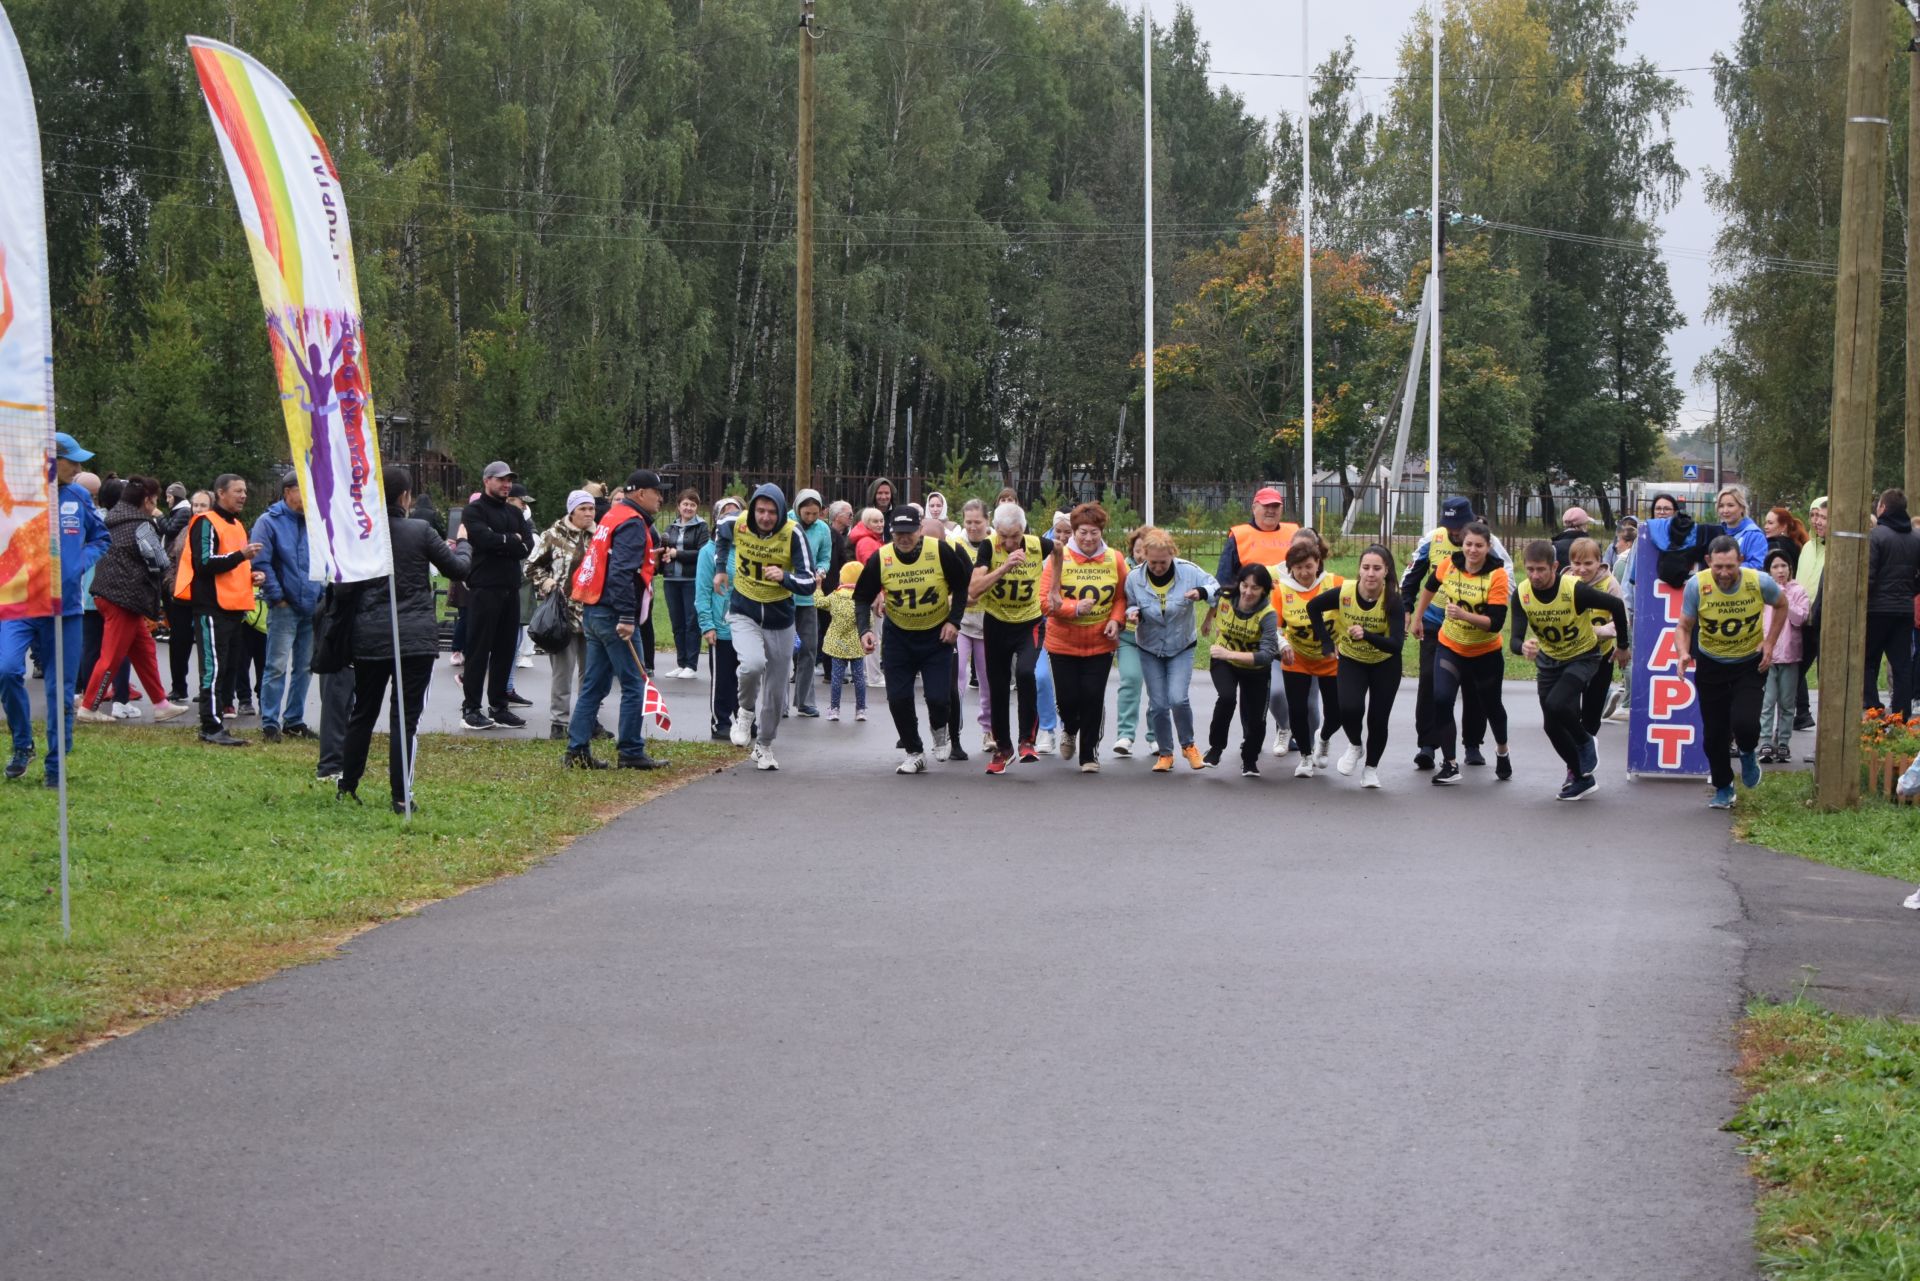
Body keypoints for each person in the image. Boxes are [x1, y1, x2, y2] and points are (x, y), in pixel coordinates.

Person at [337, 469, 471, 813]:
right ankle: (401, 795)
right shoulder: (420, 530)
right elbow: (457, 569)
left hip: (369, 635)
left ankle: (347, 784)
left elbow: (343, 586)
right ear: (405, 498)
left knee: (362, 712)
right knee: (405, 719)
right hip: (413, 638)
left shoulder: (362, 535)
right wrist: (465, 543)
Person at [2, 433, 111, 784]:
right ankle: (23, 745)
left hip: (64, 609)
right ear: (48, 460)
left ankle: (55, 768)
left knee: (59, 691)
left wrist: (80, 561)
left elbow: (101, 538)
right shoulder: (15, 498)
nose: (79, 467)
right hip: (18, 604)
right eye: (72, 460)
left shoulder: (78, 496)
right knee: (5, 670)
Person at [565, 468, 674, 771]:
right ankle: (630, 751)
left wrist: (655, 559)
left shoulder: (613, 516)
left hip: (594, 610)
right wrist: (627, 616)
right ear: (641, 493)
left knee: (594, 686)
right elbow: (622, 573)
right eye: (657, 491)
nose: (661, 497)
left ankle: (576, 750)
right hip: (615, 614)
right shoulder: (632, 522)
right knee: (635, 684)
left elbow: (622, 564)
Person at [853, 506, 972, 772]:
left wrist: (954, 621)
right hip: (899, 636)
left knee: (940, 698)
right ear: (890, 533)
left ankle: (939, 729)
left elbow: (962, 585)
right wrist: (865, 630)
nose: (904, 538)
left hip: (936, 635)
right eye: (898, 533)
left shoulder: (940, 551)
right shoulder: (880, 558)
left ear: (919, 530)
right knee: (897, 698)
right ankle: (914, 750)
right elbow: (861, 597)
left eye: (909, 532)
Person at [1511, 541, 1630, 801]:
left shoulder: (1573, 589)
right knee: (1551, 725)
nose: (1535, 576)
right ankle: (1581, 777)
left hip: (1583, 656)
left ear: (1554, 567)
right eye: (1530, 569)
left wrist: (1622, 645)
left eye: (1541, 569)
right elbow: (1514, 640)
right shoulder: (1521, 593)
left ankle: (1586, 741)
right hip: (1550, 661)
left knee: (1556, 704)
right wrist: (1524, 647)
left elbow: (1618, 606)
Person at [1402, 497, 1512, 770]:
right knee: (1430, 682)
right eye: (1451, 527)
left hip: (1475, 623)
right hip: (1435, 621)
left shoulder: (1489, 543)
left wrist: (1484, 609)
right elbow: (1415, 575)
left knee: (1474, 687)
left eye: (1459, 527)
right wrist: (1409, 610)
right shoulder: (1433, 539)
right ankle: (1427, 745)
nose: (1455, 533)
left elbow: (1507, 577)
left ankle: (1472, 744)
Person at [1677, 535, 1787, 808]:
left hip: (1749, 663)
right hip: (1711, 664)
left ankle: (1748, 753)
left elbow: (1782, 605)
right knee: (1714, 736)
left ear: (1740, 560)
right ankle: (1724, 787)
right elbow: (1684, 626)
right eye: (1718, 567)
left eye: (1730, 566)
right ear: (1708, 563)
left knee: (1745, 724)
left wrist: (1770, 642)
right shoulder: (1696, 585)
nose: (1724, 573)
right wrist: (1682, 653)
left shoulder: (1759, 582)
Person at [714, 483, 817, 770]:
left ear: (782, 512)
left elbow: (809, 582)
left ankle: (764, 745)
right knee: (752, 664)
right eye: (760, 510)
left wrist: (784, 577)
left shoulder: (793, 533)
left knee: (775, 689)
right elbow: (720, 528)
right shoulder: (738, 521)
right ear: (752, 509)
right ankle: (745, 713)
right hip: (743, 609)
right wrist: (721, 567)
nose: (765, 517)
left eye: (772, 512)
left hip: (780, 617)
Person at [76, 476, 187, 725]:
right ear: (146, 500)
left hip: (107, 593)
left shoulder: (112, 519)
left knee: (145, 649)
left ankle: (161, 704)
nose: (155, 503)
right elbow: (160, 561)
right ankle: (88, 707)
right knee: (112, 655)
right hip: (125, 597)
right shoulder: (142, 525)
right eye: (154, 499)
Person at [174, 473, 264, 747]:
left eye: (245, 490)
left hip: (235, 607)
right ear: (220, 494)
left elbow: (232, 566)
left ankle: (219, 720)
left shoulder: (237, 525)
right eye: (238, 490)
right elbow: (204, 563)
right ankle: (210, 726)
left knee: (227, 668)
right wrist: (241, 557)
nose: (243, 495)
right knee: (213, 669)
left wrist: (253, 575)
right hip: (212, 607)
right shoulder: (204, 522)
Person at [1038, 502, 1128, 772]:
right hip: (1062, 643)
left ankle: (1089, 754)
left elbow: (1122, 597)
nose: (1088, 538)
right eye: (1082, 533)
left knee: (1092, 696)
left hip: (1100, 643)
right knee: (1067, 699)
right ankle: (1069, 727)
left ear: (1101, 532)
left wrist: (1115, 619)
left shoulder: (1115, 559)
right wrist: (1073, 608)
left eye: (1094, 533)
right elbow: (1044, 602)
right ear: (1072, 532)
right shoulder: (1058, 558)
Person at [1307, 544, 1404, 788]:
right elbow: (1313, 607)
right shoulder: (1345, 593)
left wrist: (1367, 634)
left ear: (1386, 571)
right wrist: (1327, 641)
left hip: (1385, 663)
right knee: (1349, 709)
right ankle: (1355, 745)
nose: (1371, 573)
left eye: (1377, 568)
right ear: (1359, 570)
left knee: (1378, 719)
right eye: (1366, 567)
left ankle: (1371, 769)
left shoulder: (1393, 599)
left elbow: (1395, 645)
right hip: (1352, 660)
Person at [1125, 527, 1218, 773]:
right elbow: (1128, 603)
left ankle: (1188, 746)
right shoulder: (1135, 577)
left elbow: (1216, 588)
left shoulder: (1188, 571)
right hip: (1149, 646)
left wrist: (1201, 592)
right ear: (1144, 555)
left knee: (1177, 698)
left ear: (1172, 555)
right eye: (1152, 562)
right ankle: (1165, 754)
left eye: (1163, 562)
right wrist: (1132, 614)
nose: (1157, 567)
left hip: (1181, 646)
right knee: (1158, 704)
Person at [970, 501, 1053, 773]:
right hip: (996, 623)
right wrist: (1004, 568)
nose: (1008, 542)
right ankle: (1003, 750)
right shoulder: (987, 547)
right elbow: (973, 590)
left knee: (1027, 673)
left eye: (1014, 536)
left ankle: (1027, 741)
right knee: (998, 687)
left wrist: (1055, 588)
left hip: (1029, 622)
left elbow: (1061, 550)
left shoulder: (1037, 545)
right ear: (996, 531)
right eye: (1003, 536)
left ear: (1023, 530)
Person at [459, 461, 535, 731]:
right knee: (479, 649)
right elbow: (482, 540)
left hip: (510, 588)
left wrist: (504, 540)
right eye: (501, 480)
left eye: (509, 480)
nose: (506, 485)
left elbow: (527, 546)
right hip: (484, 588)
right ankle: (471, 708)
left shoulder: (515, 513)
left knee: (505, 650)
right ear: (487, 481)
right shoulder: (474, 510)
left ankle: (499, 705)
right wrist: (508, 541)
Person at [251, 471, 323, 743]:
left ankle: (294, 720)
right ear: (287, 491)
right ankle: (270, 721)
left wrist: (321, 593)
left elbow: (322, 559)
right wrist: (277, 596)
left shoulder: (315, 522)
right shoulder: (268, 522)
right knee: (277, 665)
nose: (309, 498)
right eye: (303, 491)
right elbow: (260, 562)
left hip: (310, 605)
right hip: (284, 606)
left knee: (304, 666)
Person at [527, 489, 599, 740]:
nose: (589, 513)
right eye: (583, 509)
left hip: (592, 613)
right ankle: (559, 723)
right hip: (563, 614)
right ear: (572, 511)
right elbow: (531, 565)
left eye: (591, 508)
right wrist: (545, 583)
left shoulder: (600, 536)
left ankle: (588, 720)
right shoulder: (553, 535)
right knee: (562, 672)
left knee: (591, 672)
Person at [1274, 535, 1342, 777]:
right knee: (1298, 710)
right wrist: (1283, 645)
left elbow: (1355, 607)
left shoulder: (1334, 582)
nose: (1304, 572)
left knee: (1338, 712)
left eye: (1309, 566)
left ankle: (1322, 738)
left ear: (1318, 562)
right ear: (1291, 568)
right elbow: (1274, 626)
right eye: (1298, 567)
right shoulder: (1282, 591)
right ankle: (1305, 756)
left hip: (1330, 659)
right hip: (1297, 658)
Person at [1205, 564, 1281, 777]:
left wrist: (1229, 654)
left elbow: (1267, 655)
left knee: (1256, 718)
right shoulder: (1226, 596)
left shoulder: (1267, 614)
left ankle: (1250, 760)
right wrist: (1207, 620)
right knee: (1227, 698)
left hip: (1255, 668)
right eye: (1244, 585)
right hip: (1224, 663)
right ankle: (1215, 749)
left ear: (1264, 590)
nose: (1248, 592)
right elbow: (1209, 596)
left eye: (1255, 588)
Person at [1863, 488, 1920, 718]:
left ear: (1883, 508)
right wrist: (1910, 591)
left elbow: (1869, 575)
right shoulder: (1916, 538)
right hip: (1904, 609)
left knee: (1868, 661)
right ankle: (1901, 715)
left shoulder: (1876, 536)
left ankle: (1874, 709)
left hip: (1876, 610)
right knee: (1902, 665)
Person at [945, 500, 991, 758]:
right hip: (960, 621)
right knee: (957, 678)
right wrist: (958, 599)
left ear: (987, 521)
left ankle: (989, 730)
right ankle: (955, 733)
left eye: (978, 523)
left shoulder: (996, 542)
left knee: (988, 680)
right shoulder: (954, 544)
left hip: (988, 622)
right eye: (969, 522)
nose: (973, 527)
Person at [1757, 547, 1812, 764]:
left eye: (1784, 566)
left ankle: (1783, 743)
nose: (1780, 571)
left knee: (1788, 703)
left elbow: (1800, 618)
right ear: (1768, 571)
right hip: (1767, 656)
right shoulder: (1762, 592)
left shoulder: (1798, 591)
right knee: (1767, 701)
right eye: (1775, 567)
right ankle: (1765, 743)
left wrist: (1785, 599)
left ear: (1790, 569)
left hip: (1790, 655)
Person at [1567, 537, 1626, 735]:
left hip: (1601, 657)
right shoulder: (1564, 582)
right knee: (1568, 711)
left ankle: (1587, 749)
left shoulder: (1610, 583)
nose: (1582, 569)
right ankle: (1575, 754)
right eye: (1577, 563)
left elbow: (1621, 621)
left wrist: (1597, 631)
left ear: (1599, 561)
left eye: (1588, 563)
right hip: (1570, 657)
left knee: (1591, 715)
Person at [695, 499, 743, 740]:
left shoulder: (745, 549)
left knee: (745, 677)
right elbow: (702, 591)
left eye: (736, 512)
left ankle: (744, 719)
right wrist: (707, 624)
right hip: (721, 627)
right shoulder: (709, 552)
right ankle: (720, 721)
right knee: (723, 678)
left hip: (746, 626)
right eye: (726, 513)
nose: (732, 517)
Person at [657, 488, 709, 679]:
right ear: (678, 506)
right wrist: (663, 556)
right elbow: (664, 549)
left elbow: (702, 554)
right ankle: (680, 663)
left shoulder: (702, 528)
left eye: (692, 505)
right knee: (677, 623)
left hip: (691, 581)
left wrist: (676, 554)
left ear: (697, 508)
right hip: (671, 580)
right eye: (685, 504)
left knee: (691, 623)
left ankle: (691, 665)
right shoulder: (671, 527)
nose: (688, 508)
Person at [789, 489, 831, 717]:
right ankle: (780, 703)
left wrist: (822, 570)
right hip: (784, 594)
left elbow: (825, 557)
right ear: (798, 509)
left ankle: (804, 701)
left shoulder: (823, 529)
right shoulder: (785, 523)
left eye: (815, 514)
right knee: (782, 650)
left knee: (808, 647)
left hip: (808, 596)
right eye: (807, 513)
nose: (811, 518)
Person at [1110, 526, 1151, 758]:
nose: (1142, 556)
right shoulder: (1123, 568)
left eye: (1147, 550)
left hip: (1158, 641)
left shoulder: (1165, 568)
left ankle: (1156, 737)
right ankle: (1125, 735)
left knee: (1157, 690)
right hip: (1129, 638)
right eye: (1138, 551)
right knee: (1131, 680)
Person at [1793, 497, 1829, 738]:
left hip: (1826, 619)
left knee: (1825, 673)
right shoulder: (1807, 547)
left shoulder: (1837, 547)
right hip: (1803, 619)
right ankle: (1803, 713)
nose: (1816, 521)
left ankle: (1828, 724)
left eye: (1823, 517)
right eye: (1814, 515)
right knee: (1795, 666)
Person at [819, 560, 868, 721]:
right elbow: (870, 622)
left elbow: (819, 602)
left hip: (837, 645)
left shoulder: (835, 596)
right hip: (856, 645)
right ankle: (860, 709)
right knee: (859, 678)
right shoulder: (862, 599)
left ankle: (834, 709)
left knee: (836, 678)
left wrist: (818, 588)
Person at [1716, 486, 1767, 570]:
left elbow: (1758, 565)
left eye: (1730, 505)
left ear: (1742, 508)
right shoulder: (1717, 532)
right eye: (1721, 506)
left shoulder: (1754, 535)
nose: (1725, 510)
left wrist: (1729, 567)